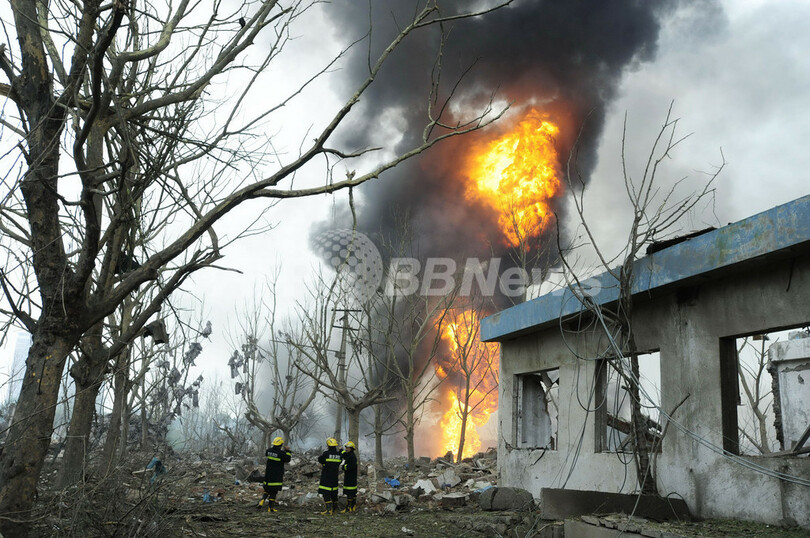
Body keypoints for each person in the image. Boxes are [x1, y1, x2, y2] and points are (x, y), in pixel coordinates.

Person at [259, 436, 291, 512]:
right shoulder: (281, 454)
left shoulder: (268, 451)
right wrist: (287, 451)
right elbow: (288, 459)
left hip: (268, 474)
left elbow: (270, 453)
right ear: (280, 445)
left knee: (267, 489)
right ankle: (270, 508)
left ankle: (262, 500)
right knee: (273, 491)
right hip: (276, 475)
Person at [317, 437, 341, 514]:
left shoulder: (326, 454)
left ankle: (328, 510)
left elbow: (320, 459)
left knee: (325, 492)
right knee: (334, 492)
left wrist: (324, 463)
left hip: (326, 476)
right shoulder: (339, 455)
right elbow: (340, 461)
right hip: (335, 476)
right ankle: (335, 508)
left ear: (328, 445)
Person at [340, 441, 358, 513]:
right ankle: (353, 506)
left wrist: (343, 467)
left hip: (350, 477)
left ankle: (349, 507)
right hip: (351, 477)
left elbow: (349, 467)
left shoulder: (352, 457)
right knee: (352, 492)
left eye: (348, 448)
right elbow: (345, 455)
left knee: (349, 492)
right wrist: (341, 450)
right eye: (346, 448)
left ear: (351, 448)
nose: (346, 449)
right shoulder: (350, 455)